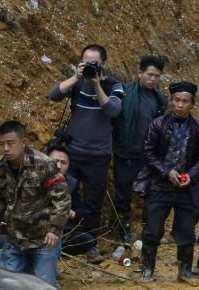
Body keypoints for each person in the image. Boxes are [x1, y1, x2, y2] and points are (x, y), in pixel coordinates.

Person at [134, 81, 199, 284]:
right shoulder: (157, 124)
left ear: (192, 104)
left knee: (186, 230)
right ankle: (148, 269)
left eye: (185, 101)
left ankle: (185, 270)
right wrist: (166, 172)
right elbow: (148, 152)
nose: (179, 105)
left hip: (187, 188)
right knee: (152, 229)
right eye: (176, 100)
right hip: (159, 186)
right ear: (171, 100)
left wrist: (191, 176)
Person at [48, 44, 124, 249]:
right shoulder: (77, 83)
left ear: (103, 64)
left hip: (98, 155)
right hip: (72, 153)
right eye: (86, 62)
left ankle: (90, 245)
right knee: (63, 196)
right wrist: (76, 78)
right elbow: (54, 95)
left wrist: (97, 85)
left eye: (94, 63)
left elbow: (113, 111)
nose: (90, 66)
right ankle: (61, 240)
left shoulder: (113, 85)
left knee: (93, 202)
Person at [0, 121, 71, 286]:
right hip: (14, 239)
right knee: (8, 287)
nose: (5, 149)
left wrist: (55, 229)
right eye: (1, 144)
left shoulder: (44, 165)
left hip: (43, 239)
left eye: (10, 143)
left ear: (23, 142)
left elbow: (62, 198)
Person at [112, 55, 168, 243]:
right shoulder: (125, 94)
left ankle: (149, 232)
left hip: (148, 156)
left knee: (151, 194)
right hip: (125, 153)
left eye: (157, 76)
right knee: (122, 194)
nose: (153, 79)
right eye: (149, 74)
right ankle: (122, 234)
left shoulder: (160, 100)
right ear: (139, 73)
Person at [48, 145, 100, 258]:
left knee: (87, 240)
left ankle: (58, 254)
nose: (59, 166)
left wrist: (73, 213)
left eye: (63, 163)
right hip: (36, 229)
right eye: (55, 161)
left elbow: (81, 209)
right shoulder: (34, 177)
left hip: (62, 231)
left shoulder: (71, 183)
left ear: (68, 165)